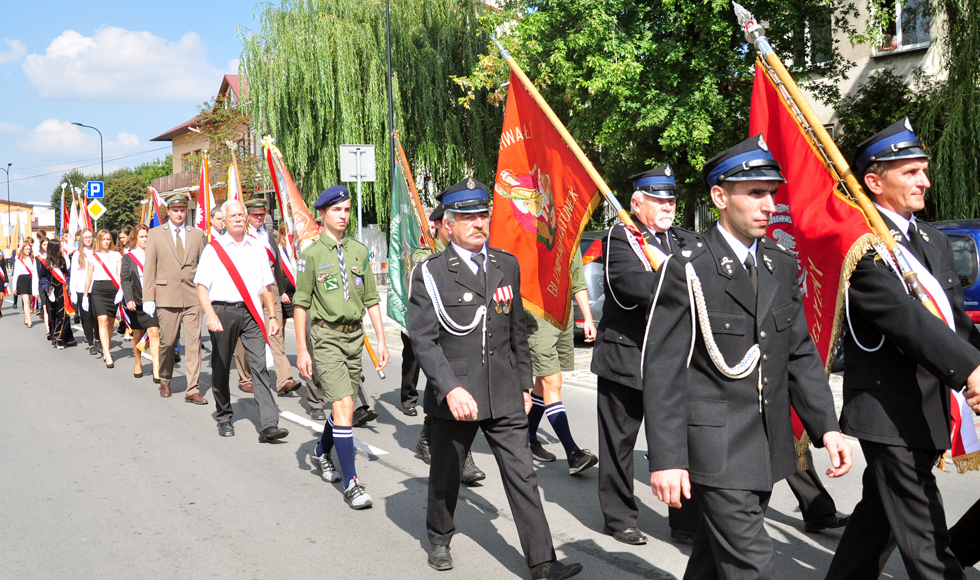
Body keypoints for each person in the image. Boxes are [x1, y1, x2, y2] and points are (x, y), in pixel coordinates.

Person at [643, 136, 851, 580]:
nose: (769, 205)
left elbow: (798, 353)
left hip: (765, 446)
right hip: (713, 449)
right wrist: (666, 457)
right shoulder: (689, 267)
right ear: (720, 197)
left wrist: (826, 427)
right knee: (751, 566)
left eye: (772, 192)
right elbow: (662, 370)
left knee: (710, 563)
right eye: (755, 193)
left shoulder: (780, 263)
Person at [826, 119, 980, 580]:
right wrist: (970, 371)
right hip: (888, 410)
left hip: (929, 403)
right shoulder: (861, 244)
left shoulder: (930, 238)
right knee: (927, 543)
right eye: (910, 172)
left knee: (875, 521)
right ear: (874, 181)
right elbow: (905, 319)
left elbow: (954, 323)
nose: (925, 181)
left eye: (924, 170)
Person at [408, 177, 582, 579]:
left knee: (523, 474)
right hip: (459, 393)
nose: (478, 223)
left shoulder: (506, 264)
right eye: (467, 217)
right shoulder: (431, 273)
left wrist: (524, 383)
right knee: (447, 473)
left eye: (482, 214)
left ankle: (542, 562)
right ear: (448, 224)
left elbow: (516, 330)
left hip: (503, 390)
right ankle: (439, 538)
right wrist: (449, 389)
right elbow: (424, 339)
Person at [592, 164, 701, 545]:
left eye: (670, 199)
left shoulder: (685, 240)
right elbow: (637, 287)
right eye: (658, 199)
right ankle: (619, 517)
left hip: (673, 363)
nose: (667, 205)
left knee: (679, 440)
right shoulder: (620, 239)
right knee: (619, 443)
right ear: (637, 203)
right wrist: (683, 283)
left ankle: (686, 520)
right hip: (628, 357)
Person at [295, 185, 389, 510]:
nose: (344, 215)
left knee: (342, 408)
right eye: (337, 210)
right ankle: (352, 482)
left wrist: (380, 339)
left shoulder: (359, 252)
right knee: (345, 405)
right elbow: (300, 304)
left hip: (354, 337)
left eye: (347, 210)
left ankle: (322, 451)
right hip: (326, 337)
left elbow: (372, 298)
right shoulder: (311, 256)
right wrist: (302, 350)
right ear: (322, 214)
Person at [195, 199, 289, 442]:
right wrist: (211, 315)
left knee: (259, 365)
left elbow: (266, 285)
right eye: (233, 215)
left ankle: (269, 425)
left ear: (246, 219)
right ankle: (224, 416)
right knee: (222, 365)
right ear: (224, 221)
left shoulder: (256, 246)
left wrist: (272, 315)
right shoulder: (213, 249)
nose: (237, 218)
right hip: (223, 311)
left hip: (251, 313)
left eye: (241, 215)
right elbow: (202, 288)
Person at [406, 203, 486, 484]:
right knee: (442, 382)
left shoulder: (473, 254)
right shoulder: (425, 257)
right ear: (442, 225)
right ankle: (449, 451)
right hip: (433, 326)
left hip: (461, 334)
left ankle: (429, 439)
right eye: (441, 222)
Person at [525, 246, 597, 475]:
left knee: (542, 383)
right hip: (538, 318)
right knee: (552, 382)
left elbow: (578, 281)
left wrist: (587, 318)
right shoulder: (531, 235)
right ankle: (573, 453)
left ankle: (527, 438)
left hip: (563, 318)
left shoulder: (570, 237)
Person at [142, 194, 208, 403]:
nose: (180, 214)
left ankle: (192, 389)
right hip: (166, 297)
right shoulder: (155, 234)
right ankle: (165, 379)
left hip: (192, 298)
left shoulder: (197, 235)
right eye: (176, 210)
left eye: (183, 210)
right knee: (168, 343)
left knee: (193, 343)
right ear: (168, 212)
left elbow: (205, 267)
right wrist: (147, 298)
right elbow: (149, 267)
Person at [233, 198, 300, 396]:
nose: (259, 218)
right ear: (247, 216)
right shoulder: (240, 236)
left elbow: (278, 264)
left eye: (262, 214)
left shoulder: (271, 236)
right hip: (248, 288)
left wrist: (281, 289)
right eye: (255, 215)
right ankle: (245, 377)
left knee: (276, 332)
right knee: (246, 333)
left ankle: (284, 380)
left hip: (270, 287)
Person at [122, 225, 161, 382]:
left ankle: (156, 368)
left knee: (154, 332)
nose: (145, 239)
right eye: (142, 237)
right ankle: (138, 362)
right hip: (136, 299)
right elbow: (125, 279)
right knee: (138, 333)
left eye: (147, 236)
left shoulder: (155, 254)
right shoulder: (128, 258)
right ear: (135, 239)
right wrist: (129, 298)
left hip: (154, 297)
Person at [83, 230, 122, 368]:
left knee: (110, 322)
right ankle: (106, 352)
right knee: (102, 319)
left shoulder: (116, 255)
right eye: (104, 239)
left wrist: (121, 290)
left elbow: (119, 274)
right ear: (99, 240)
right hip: (98, 289)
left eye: (108, 239)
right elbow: (88, 278)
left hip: (113, 288)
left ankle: (107, 347)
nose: (106, 241)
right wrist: (85, 296)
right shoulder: (93, 256)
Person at [38, 240, 75, 349]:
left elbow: (66, 274)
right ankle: (56, 337)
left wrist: (68, 283)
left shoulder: (62, 260)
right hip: (53, 291)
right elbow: (42, 277)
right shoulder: (46, 262)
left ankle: (60, 338)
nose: (61, 249)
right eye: (59, 247)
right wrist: (48, 287)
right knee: (54, 315)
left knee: (63, 314)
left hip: (63, 290)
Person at [71, 229, 98, 353]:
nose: (88, 239)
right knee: (86, 317)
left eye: (90, 237)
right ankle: (91, 343)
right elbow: (74, 275)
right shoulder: (77, 254)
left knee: (97, 317)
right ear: (81, 239)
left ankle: (98, 340)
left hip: (97, 288)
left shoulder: (98, 252)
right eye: (85, 237)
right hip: (82, 289)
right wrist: (73, 292)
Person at [13, 242, 38, 327]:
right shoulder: (19, 260)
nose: (28, 250)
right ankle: (29, 321)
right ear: (23, 249)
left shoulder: (33, 259)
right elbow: (15, 273)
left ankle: (26, 316)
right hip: (22, 280)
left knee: (30, 301)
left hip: (31, 279)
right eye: (26, 249)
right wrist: (14, 286)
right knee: (26, 301)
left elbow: (35, 271)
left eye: (29, 249)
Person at [36, 237, 52, 339]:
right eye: (44, 245)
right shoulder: (38, 257)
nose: (46, 246)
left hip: (53, 285)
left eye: (47, 244)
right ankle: (49, 330)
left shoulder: (53, 256)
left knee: (52, 307)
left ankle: (54, 327)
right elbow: (35, 274)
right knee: (46, 307)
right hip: (42, 285)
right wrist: (35, 290)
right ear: (41, 246)